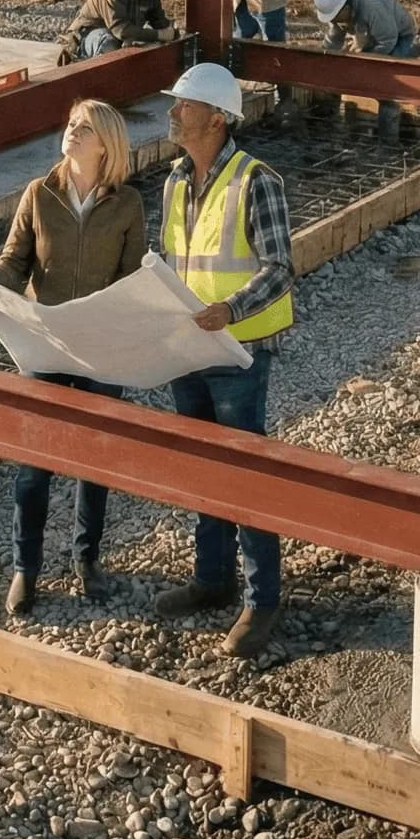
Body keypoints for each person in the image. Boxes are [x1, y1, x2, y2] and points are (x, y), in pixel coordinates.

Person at [0, 99, 147, 616]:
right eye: (69, 124)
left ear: (106, 144)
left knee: (95, 461)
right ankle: (26, 570)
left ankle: (87, 561)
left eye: (83, 128)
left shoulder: (128, 204)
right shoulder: (39, 195)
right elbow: (13, 260)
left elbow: (131, 280)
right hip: (45, 345)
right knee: (34, 464)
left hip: (100, 351)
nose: (71, 132)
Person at [151, 62, 294, 660]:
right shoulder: (174, 183)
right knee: (205, 468)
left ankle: (262, 600)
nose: (172, 113)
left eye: (182, 105)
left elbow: (280, 267)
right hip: (190, 349)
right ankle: (213, 579)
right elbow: (170, 257)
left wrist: (230, 311)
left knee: (244, 473)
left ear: (215, 116)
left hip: (237, 352)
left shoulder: (255, 180)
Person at [314, 0, 420, 142]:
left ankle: (388, 142)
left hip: (398, 37)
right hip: (370, 35)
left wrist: (364, 54)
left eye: (336, 18)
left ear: (346, 8)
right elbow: (334, 39)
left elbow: (388, 41)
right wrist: (322, 60)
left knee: (385, 84)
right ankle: (334, 128)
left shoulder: (372, 7)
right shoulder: (340, 13)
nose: (335, 22)